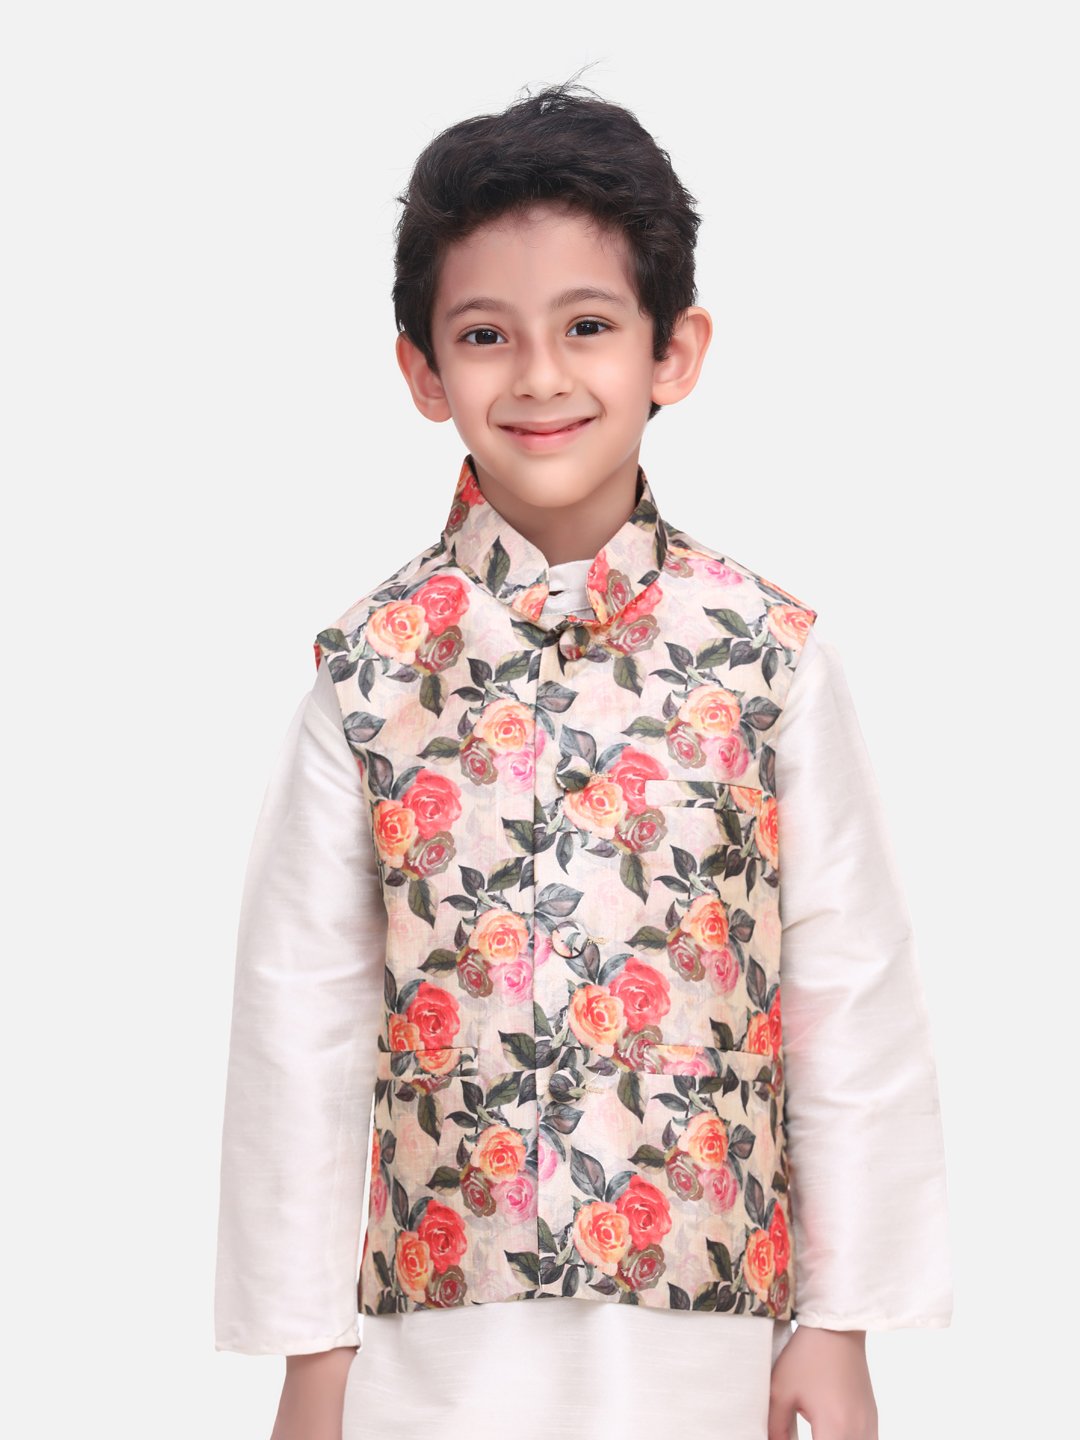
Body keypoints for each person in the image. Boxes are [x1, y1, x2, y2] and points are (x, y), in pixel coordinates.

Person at [214, 81, 952, 1440]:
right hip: (430, 1351)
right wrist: (309, 1355)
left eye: (589, 326)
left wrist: (842, 1324)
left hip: (710, 1335)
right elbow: (299, 1023)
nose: (541, 377)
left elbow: (848, 990)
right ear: (423, 372)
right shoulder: (367, 676)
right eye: (485, 334)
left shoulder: (769, 657)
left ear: (676, 351)